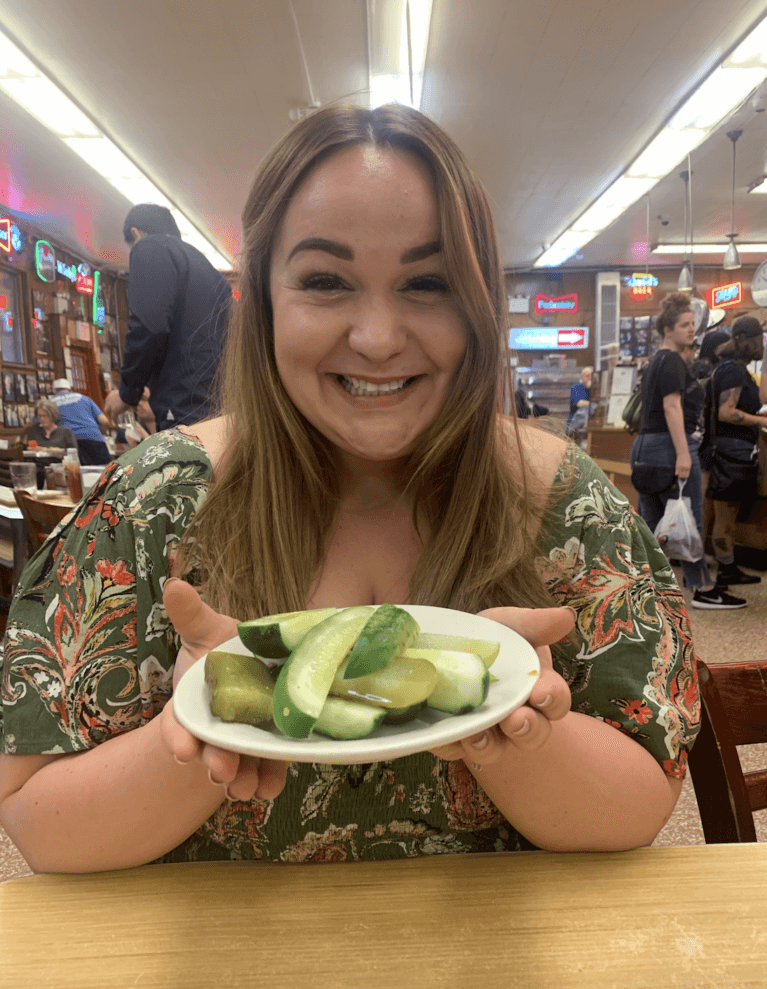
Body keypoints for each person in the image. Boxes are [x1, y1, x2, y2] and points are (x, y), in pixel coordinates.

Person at [0, 104, 698, 873]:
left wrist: (516, 730)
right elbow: (38, 820)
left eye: (426, 283)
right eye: (326, 281)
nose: (376, 338)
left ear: (477, 310)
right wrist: (203, 733)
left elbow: (644, 801)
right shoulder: (151, 503)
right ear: (264, 305)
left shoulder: (566, 504)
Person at [629, 293, 744, 610]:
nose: (691, 330)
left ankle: (642, 585)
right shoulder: (674, 362)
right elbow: (672, 407)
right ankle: (702, 588)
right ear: (668, 329)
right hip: (670, 445)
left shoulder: (656, 361)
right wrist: (682, 453)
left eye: (693, 324)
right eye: (684, 325)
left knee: (653, 523)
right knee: (688, 519)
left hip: (646, 447)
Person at [103, 204, 232, 431]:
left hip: (183, 397)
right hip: (217, 396)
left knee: (183, 463)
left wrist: (127, 392)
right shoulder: (203, 265)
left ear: (135, 233)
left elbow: (149, 325)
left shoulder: (148, 247)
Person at [704, 314, 766, 588]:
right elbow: (727, 412)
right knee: (725, 517)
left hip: (730, 453)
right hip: (730, 455)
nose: (761, 347)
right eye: (757, 340)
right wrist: (762, 420)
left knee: (724, 517)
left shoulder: (731, 368)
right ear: (741, 339)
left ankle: (728, 567)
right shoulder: (734, 370)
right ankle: (726, 571)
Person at [49, 378, 112, 467]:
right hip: (94, 438)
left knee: (77, 475)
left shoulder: (50, 403)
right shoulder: (85, 398)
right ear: (70, 389)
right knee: (105, 473)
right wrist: (103, 432)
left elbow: (37, 422)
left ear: (54, 390)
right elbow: (104, 421)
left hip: (70, 443)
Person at [23, 399, 78, 489]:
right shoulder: (33, 432)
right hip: (38, 471)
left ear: (53, 415)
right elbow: (29, 453)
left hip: (59, 469)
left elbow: (73, 453)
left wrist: (48, 450)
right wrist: (31, 449)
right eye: (39, 416)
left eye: (45, 416)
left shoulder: (65, 432)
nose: (42, 419)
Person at [566, 366, 593, 436]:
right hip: (575, 425)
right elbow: (579, 403)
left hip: (589, 425)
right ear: (582, 377)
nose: (590, 378)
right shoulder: (575, 388)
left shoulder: (594, 389)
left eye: (592, 376)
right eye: (587, 376)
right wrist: (592, 404)